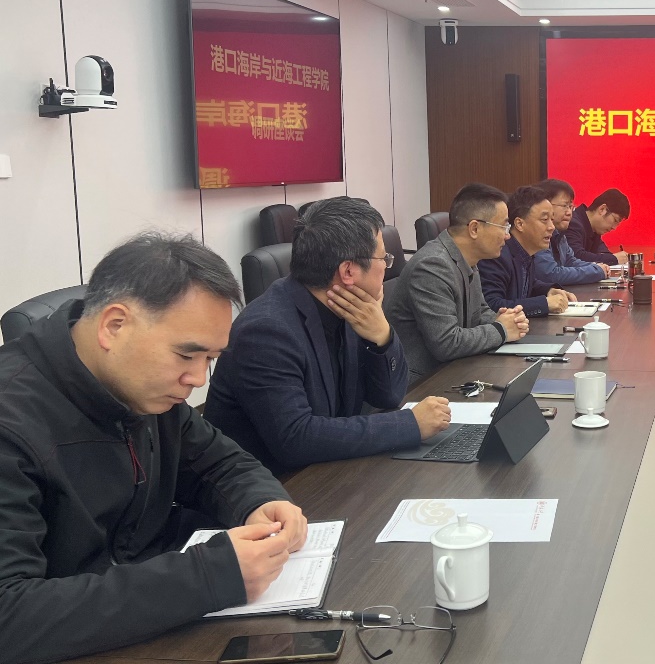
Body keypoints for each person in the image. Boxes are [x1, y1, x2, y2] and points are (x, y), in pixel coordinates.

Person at [0, 233, 307, 664]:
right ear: (114, 325)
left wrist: (260, 500)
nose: (198, 379)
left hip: (147, 620)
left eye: (210, 359)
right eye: (186, 356)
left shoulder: (146, 390)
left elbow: (218, 462)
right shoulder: (11, 422)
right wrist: (207, 576)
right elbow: (9, 616)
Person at [204, 197, 450, 476]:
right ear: (348, 271)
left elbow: (390, 397)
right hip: (280, 486)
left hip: (332, 469)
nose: (386, 266)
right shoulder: (266, 331)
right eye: (384, 258)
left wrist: (382, 338)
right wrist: (409, 425)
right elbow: (297, 438)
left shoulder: (351, 308)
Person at [386, 183, 531, 382]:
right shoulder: (432, 266)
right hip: (422, 383)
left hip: (454, 369)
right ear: (474, 228)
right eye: (504, 226)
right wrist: (501, 329)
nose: (508, 235)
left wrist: (504, 319)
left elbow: (479, 312)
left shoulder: (467, 259)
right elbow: (447, 343)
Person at [480, 186, 578, 316]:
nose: (551, 227)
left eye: (552, 220)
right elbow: (492, 305)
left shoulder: (525, 251)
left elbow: (527, 285)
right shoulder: (498, 254)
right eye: (544, 220)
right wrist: (544, 304)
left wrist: (548, 290)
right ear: (520, 224)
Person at [532, 178, 610, 285]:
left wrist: (596, 266)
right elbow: (551, 275)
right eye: (564, 206)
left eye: (571, 207)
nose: (569, 212)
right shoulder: (538, 234)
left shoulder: (560, 234)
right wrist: (596, 271)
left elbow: (570, 261)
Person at [567, 188, 631, 266]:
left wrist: (616, 258)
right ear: (602, 209)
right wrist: (614, 259)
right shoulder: (573, 223)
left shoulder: (594, 229)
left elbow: (604, 252)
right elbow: (576, 256)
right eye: (615, 220)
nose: (614, 228)